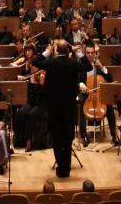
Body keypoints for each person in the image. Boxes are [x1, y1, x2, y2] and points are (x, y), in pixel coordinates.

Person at [32, 40, 91, 178]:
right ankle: (67, 168)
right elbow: (88, 66)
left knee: (57, 138)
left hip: (54, 107)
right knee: (68, 137)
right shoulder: (73, 63)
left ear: (57, 50)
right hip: (69, 107)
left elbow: (35, 62)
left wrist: (47, 52)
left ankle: (61, 167)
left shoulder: (51, 63)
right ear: (68, 51)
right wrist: (79, 53)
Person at [77, 44, 120, 147]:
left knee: (109, 106)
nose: (90, 55)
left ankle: (114, 135)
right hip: (86, 94)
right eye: (88, 53)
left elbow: (109, 78)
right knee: (80, 107)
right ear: (84, 53)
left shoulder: (99, 65)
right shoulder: (80, 65)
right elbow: (75, 80)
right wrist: (81, 85)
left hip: (99, 94)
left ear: (95, 54)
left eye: (92, 53)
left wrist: (102, 67)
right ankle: (84, 136)